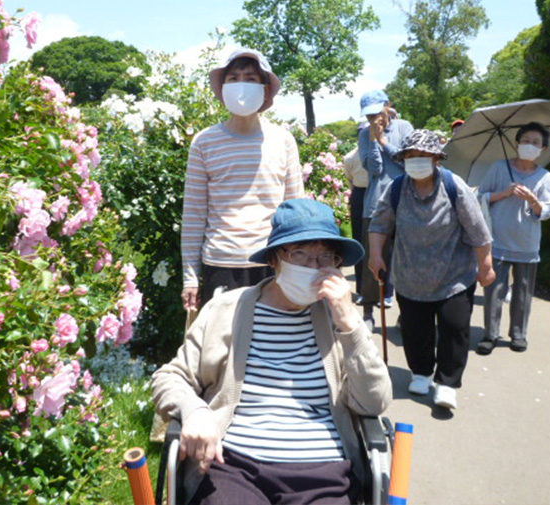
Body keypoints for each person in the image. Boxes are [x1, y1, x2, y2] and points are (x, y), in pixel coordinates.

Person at [153, 198, 392, 505]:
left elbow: (375, 401)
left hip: (324, 470)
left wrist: (350, 326)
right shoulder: (226, 310)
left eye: (325, 257)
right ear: (275, 259)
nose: (313, 267)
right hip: (234, 466)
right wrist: (194, 411)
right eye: (300, 254)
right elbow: (170, 377)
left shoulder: (341, 320)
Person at [368, 129, 495, 410]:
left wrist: (486, 265)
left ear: (437, 159)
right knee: (415, 330)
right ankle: (421, 373)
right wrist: (375, 254)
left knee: (454, 328)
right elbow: (379, 224)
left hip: (454, 275)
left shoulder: (454, 186)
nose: (417, 161)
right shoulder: (397, 188)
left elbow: (478, 230)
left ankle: (448, 383)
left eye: (424, 156)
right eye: (412, 156)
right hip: (410, 276)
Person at [181, 48, 304, 313]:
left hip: (272, 262)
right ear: (222, 88)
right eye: (233, 78)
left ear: (264, 89)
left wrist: (298, 266)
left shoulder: (283, 141)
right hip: (221, 263)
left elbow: (295, 211)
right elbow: (193, 214)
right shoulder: (204, 142)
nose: (241, 85)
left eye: (250, 78)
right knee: (224, 350)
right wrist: (190, 277)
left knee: (271, 347)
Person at [477, 122, 550, 354]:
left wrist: (533, 200)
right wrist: (504, 193)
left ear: (543, 149)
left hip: (527, 242)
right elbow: (480, 196)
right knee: (494, 290)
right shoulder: (499, 168)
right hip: (497, 239)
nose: (530, 145)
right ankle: (490, 334)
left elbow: (549, 211)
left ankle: (519, 334)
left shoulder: (545, 177)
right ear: (517, 143)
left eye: (535, 142)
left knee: (523, 292)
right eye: (526, 141)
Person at [357, 90, 414, 325]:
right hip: (375, 205)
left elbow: (409, 162)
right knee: (373, 260)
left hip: (405, 203)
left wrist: (384, 142)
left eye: (377, 113)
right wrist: (372, 140)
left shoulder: (404, 127)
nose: (374, 119)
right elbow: (375, 169)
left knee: (405, 262)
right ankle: (368, 310)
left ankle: (406, 312)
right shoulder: (363, 134)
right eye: (369, 115)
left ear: (387, 106)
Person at [342, 122, 369, 299]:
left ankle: (387, 291)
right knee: (360, 240)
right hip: (360, 194)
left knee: (385, 243)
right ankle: (361, 289)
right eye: (362, 133)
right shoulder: (350, 157)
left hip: (381, 194)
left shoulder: (381, 153)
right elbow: (350, 180)